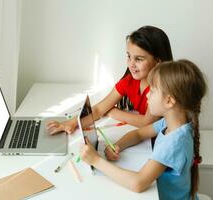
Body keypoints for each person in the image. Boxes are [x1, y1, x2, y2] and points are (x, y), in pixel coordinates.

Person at [80, 59, 207, 200]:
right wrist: (117, 145)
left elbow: (138, 183)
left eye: (152, 91)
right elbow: (139, 134)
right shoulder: (173, 123)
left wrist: (95, 160)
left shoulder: (174, 143)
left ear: (169, 101)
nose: (147, 95)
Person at [47, 25, 173, 135]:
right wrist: (72, 123)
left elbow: (146, 122)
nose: (131, 64)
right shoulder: (129, 82)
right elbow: (98, 109)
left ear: (157, 61)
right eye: (129, 56)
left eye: (139, 59)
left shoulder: (162, 88)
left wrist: (113, 112)